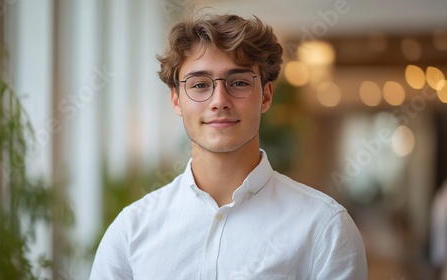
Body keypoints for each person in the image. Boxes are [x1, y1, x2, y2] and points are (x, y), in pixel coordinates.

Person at [90, 13, 368, 279]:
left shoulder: (324, 228)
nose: (219, 100)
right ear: (176, 100)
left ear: (266, 96)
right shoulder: (131, 230)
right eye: (200, 85)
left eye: (238, 82)